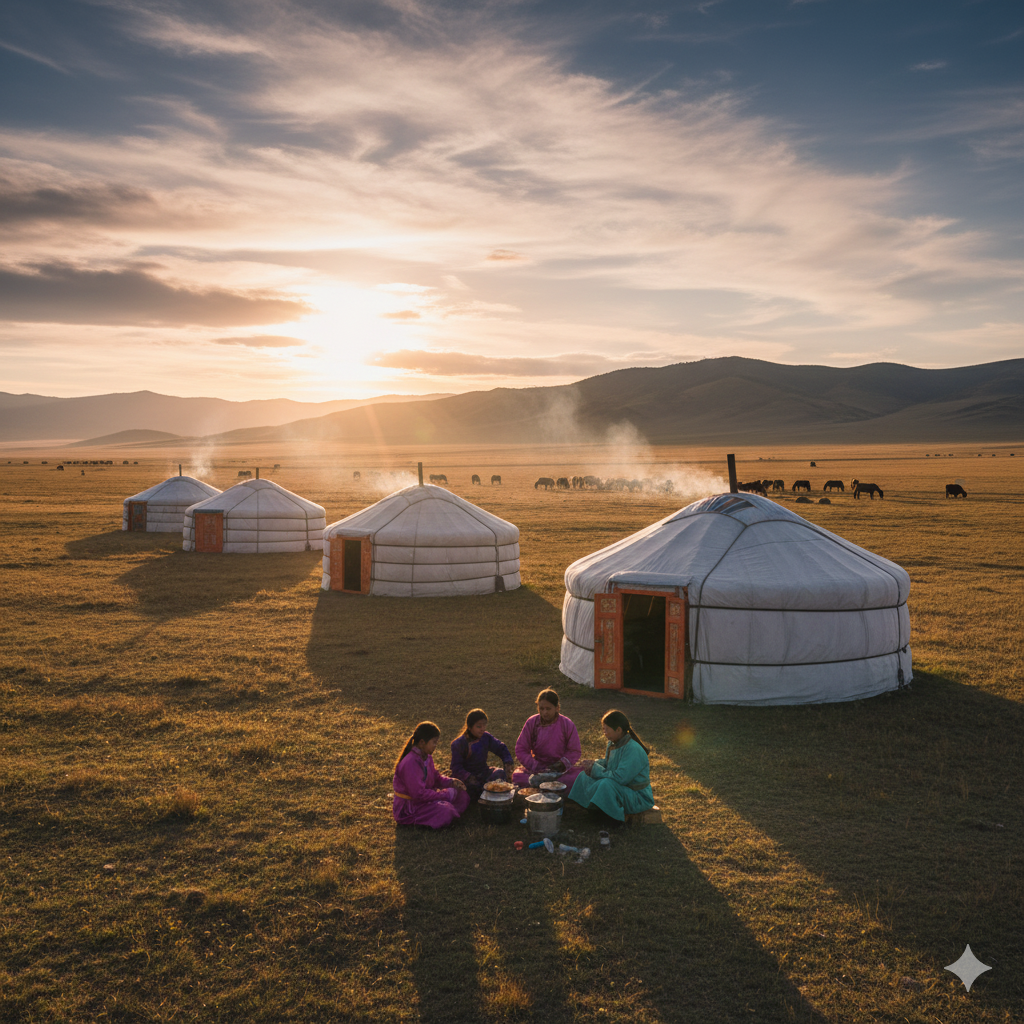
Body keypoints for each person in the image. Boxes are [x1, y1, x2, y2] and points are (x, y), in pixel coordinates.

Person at [569, 710, 654, 824]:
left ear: (618, 730)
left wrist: (595, 769)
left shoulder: (633, 749)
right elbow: (608, 763)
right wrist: (592, 764)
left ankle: (612, 818)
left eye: (606, 729)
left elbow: (621, 778)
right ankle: (589, 807)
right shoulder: (613, 743)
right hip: (620, 787)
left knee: (606, 785)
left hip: (637, 797)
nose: (604, 732)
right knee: (584, 776)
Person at [392, 721, 471, 828]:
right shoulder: (410, 763)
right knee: (445, 810)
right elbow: (419, 795)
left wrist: (451, 782)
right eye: (434, 742)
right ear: (422, 743)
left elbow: (436, 777)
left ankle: (450, 813)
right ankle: (448, 813)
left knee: (462, 795)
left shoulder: (427, 757)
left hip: (426, 799)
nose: (435, 746)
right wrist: (445, 794)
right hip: (411, 807)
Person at [512, 689, 583, 789]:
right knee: (518, 777)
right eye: (541, 708)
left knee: (575, 779)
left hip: (560, 770)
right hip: (537, 769)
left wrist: (561, 764)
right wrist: (535, 765)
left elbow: (574, 750)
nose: (545, 712)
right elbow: (521, 749)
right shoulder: (532, 722)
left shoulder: (567, 724)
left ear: (557, 708)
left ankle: (542, 786)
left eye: (548, 709)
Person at [450, 709, 515, 801]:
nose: (483, 729)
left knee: (499, 773)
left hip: (483, 772)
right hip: (468, 778)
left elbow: (500, 748)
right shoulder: (459, 744)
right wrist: (468, 777)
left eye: (484, 725)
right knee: (470, 789)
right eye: (479, 726)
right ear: (469, 727)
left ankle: (485, 791)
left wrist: (508, 762)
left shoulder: (485, 737)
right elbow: (456, 767)